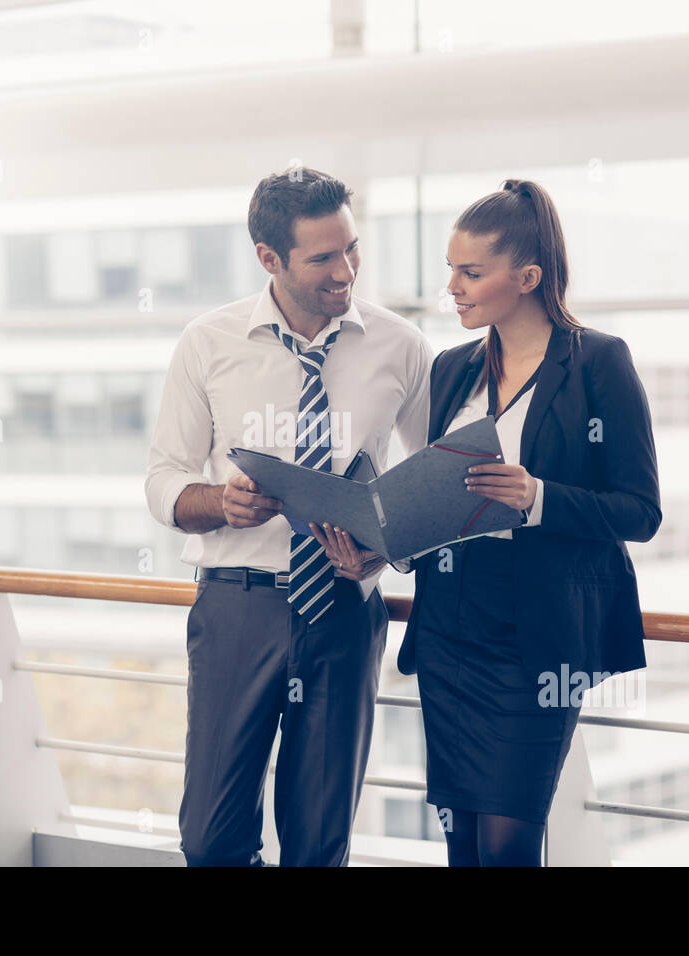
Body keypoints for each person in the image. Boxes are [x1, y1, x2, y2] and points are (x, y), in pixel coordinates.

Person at [145, 167, 433, 866]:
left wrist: (381, 551)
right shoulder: (208, 343)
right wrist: (218, 502)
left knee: (317, 843)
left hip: (342, 611)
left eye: (352, 249)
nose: (346, 271)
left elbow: (434, 488)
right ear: (268, 257)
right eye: (324, 258)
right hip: (236, 611)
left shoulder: (400, 347)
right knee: (210, 839)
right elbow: (163, 482)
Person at [391, 178, 660, 866]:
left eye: (470, 271)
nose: (451, 285)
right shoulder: (452, 370)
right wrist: (386, 534)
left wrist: (536, 497)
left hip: (534, 642)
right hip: (451, 630)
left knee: (507, 843)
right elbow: (436, 493)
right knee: (463, 842)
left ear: (528, 277)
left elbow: (640, 511)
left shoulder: (598, 362)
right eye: (451, 268)